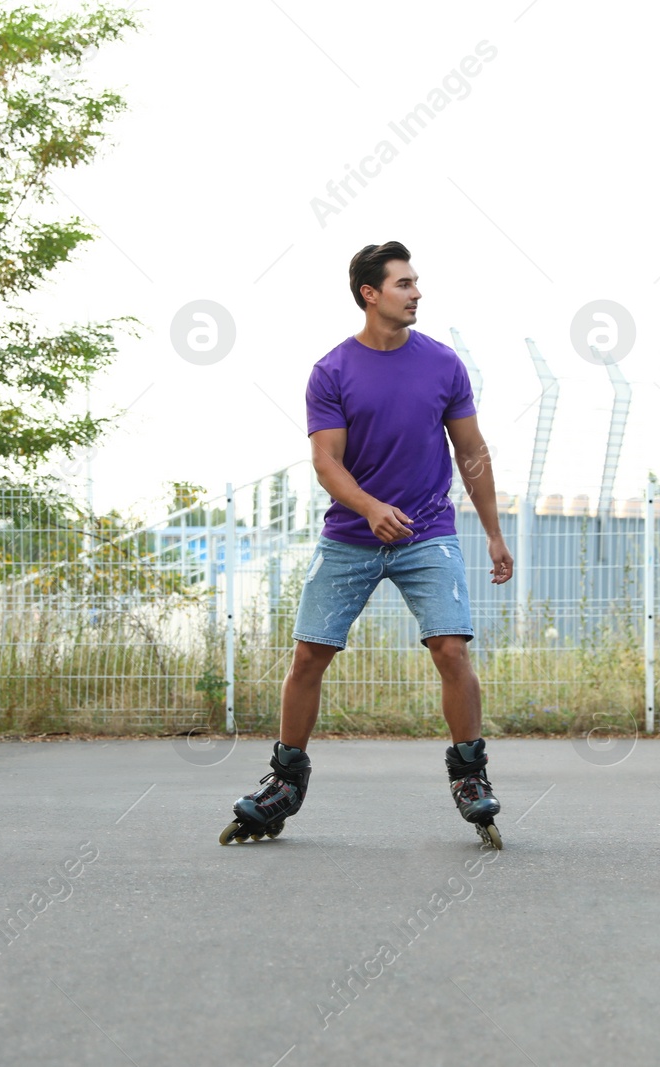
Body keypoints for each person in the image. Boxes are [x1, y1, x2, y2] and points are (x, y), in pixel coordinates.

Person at [219, 241, 515, 848]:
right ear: (370, 294)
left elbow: (472, 452)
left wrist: (491, 531)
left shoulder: (443, 364)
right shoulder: (332, 371)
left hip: (427, 531)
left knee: (451, 648)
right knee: (308, 658)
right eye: (404, 284)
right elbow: (326, 463)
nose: (416, 293)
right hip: (352, 535)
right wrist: (371, 507)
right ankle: (285, 782)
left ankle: (469, 774)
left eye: (416, 283)